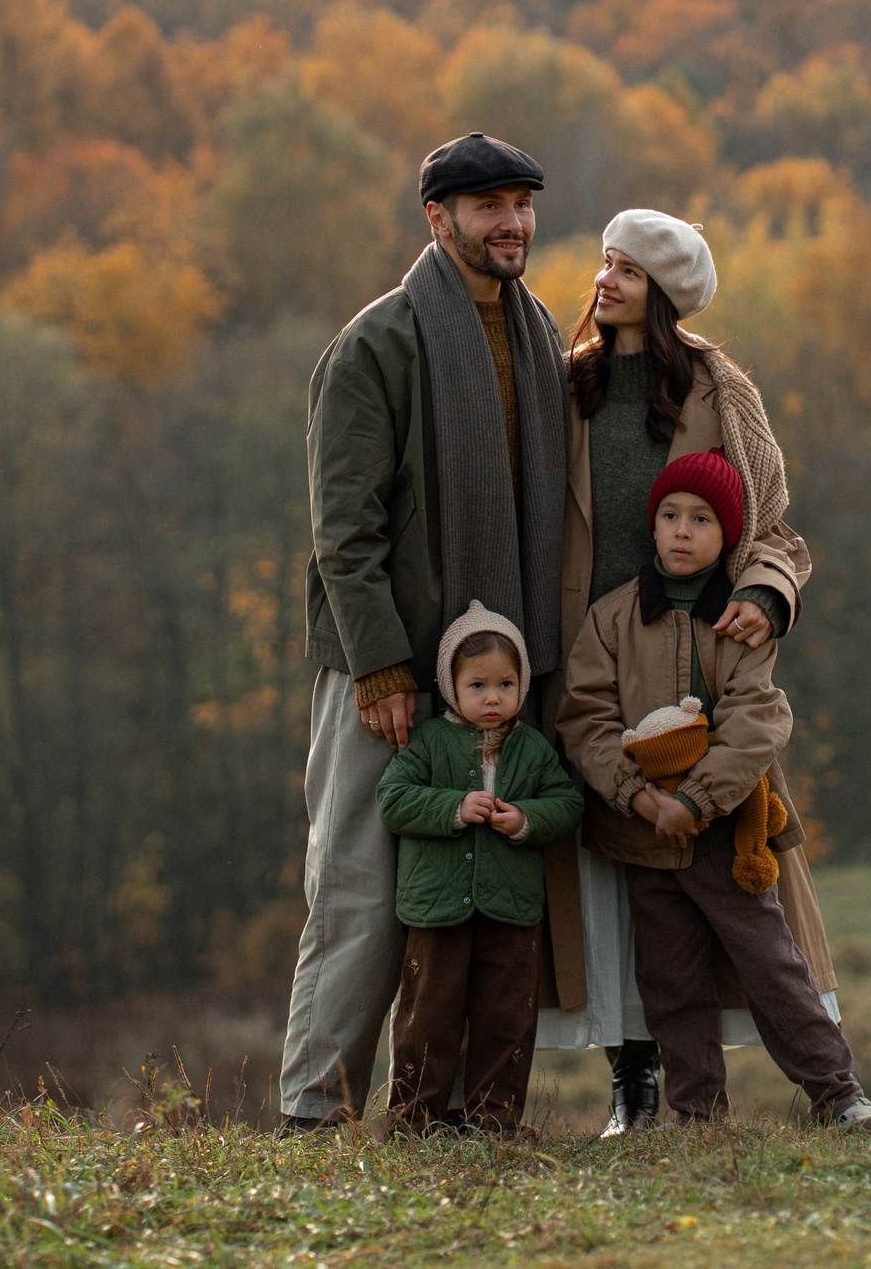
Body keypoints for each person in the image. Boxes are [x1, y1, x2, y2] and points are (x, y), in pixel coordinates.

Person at [280, 133, 570, 1132]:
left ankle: (439, 1108)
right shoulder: (376, 346)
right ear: (436, 219)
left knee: (473, 893)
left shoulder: (536, 342)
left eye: (521, 204)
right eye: (487, 206)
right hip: (387, 669)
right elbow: (341, 534)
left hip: (498, 678)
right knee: (360, 892)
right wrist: (382, 666)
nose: (511, 223)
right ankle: (314, 1112)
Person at [536, 208, 831, 1134]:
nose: (605, 278)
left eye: (626, 266)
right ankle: (635, 1085)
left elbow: (774, 525)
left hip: (699, 656)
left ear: (663, 291)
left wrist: (768, 597)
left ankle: (825, 1081)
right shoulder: (567, 385)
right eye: (605, 260)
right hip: (591, 653)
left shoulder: (721, 388)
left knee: (726, 876)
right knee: (613, 880)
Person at [559, 450, 871, 1127]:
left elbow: (757, 717)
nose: (682, 530)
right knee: (670, 980)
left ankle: (838, 1092)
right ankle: (698, 1115)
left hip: (725, 834)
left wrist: (695, 799)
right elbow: (585, 717)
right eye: (670, 516)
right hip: (643, 837)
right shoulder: (613, 618)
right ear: (651, 527)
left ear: (727, 534)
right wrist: (641, 797)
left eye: (702, 519)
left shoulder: (738, 620)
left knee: (772, 965)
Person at [376, 601, 583, 1132]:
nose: (493, 698)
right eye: (477, 686)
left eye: (506, 685)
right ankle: (413, 1119)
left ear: (522, 685)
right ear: (451, 687)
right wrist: (453, 807)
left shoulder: (533, 749)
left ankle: (494, 1120)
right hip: (437, 909)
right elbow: (393, 800)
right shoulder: (424, 743)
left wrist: (526, 819)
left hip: (511, 910)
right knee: (428, 1015)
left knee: (507, 1018)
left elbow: (568, 805)